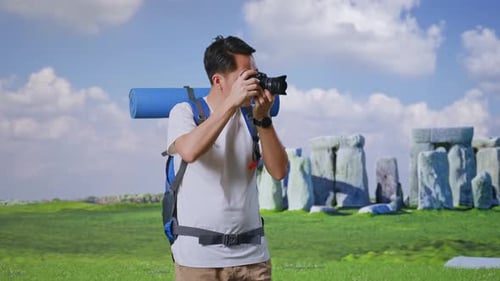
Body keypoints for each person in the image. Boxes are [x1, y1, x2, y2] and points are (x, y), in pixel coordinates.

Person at [166, 35, 289, 281]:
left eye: (255, 74)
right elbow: (189, 151)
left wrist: (263, 119)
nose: (253, 82)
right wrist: (231, 104)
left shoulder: (252, 117)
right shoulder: (185, 112)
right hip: (198, 261)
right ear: (218, 80)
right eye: (245, 75)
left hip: (253, 258)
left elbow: (279, 172)